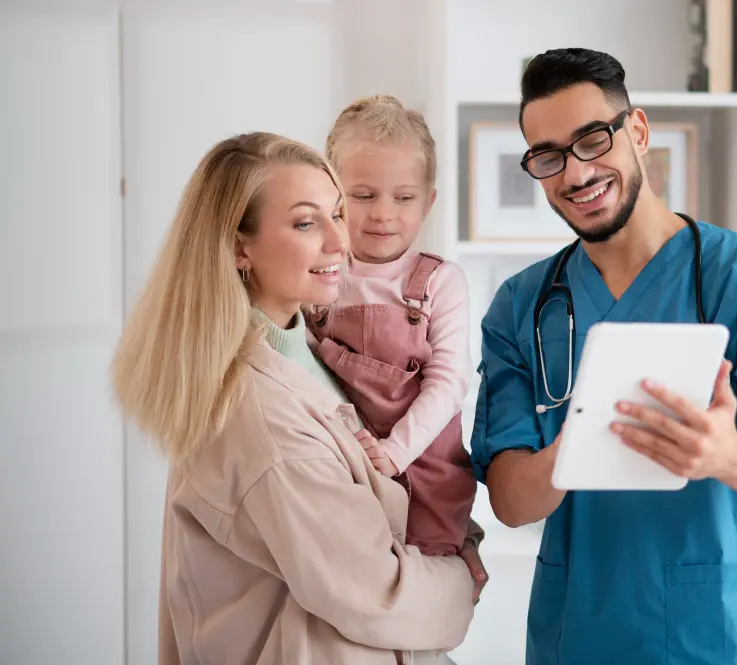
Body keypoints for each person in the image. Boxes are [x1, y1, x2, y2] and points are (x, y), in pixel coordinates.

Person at [469, 47, 737, 665]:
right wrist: (573, 453)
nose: (574, 174)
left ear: (638, 132)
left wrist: (726, 455)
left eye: (592, 140)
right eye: (548, 157)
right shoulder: (522, 306)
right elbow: (511, 504)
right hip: (577, 632)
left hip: (713, 633)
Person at [111, 131, 486, 665]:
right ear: (241, 247)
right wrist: (459, 578)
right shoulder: (263, 419)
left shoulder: (315, 352)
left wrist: (454, 534)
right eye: (307, 222)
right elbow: (377, 592)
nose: (341, 241)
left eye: (337, 213)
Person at [307, 94, 477, 558]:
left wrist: (395, 452)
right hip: (344, 466)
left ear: (428, 202)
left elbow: (448, 381)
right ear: (334, 197)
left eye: (404, 198)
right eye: (363, 196)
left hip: (424, 468)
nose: (384, 213)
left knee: (421, 585)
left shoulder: (440, 282)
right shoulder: (321, 272)